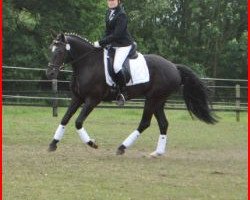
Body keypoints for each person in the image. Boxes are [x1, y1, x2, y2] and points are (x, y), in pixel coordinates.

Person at [94, 0, 134, 106]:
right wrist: (102, 43)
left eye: (113, 0)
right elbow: (108, 32)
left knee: (116, 66)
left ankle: (123, 93)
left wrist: (101, 42)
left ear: (118, 1)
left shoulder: (122, 15)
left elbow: (117, 35)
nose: (110, 2)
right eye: (109, 0)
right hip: (113, 45)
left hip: (123, 45)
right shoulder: (108, 12)